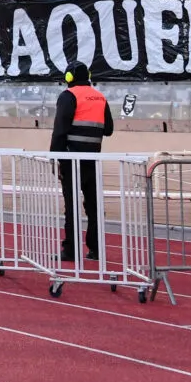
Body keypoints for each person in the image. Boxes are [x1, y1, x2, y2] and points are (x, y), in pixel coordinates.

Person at [50, 62, 113, 262]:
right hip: (93, 160)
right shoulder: (100, 97)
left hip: (71, 160)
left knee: (72, 205)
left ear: (68, 78)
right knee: (94, 206)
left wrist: (56, 158)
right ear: (88, 75)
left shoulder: (69, 96)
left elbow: (60, 130)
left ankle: (70, 250)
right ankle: (95, 249)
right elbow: (108, 129)